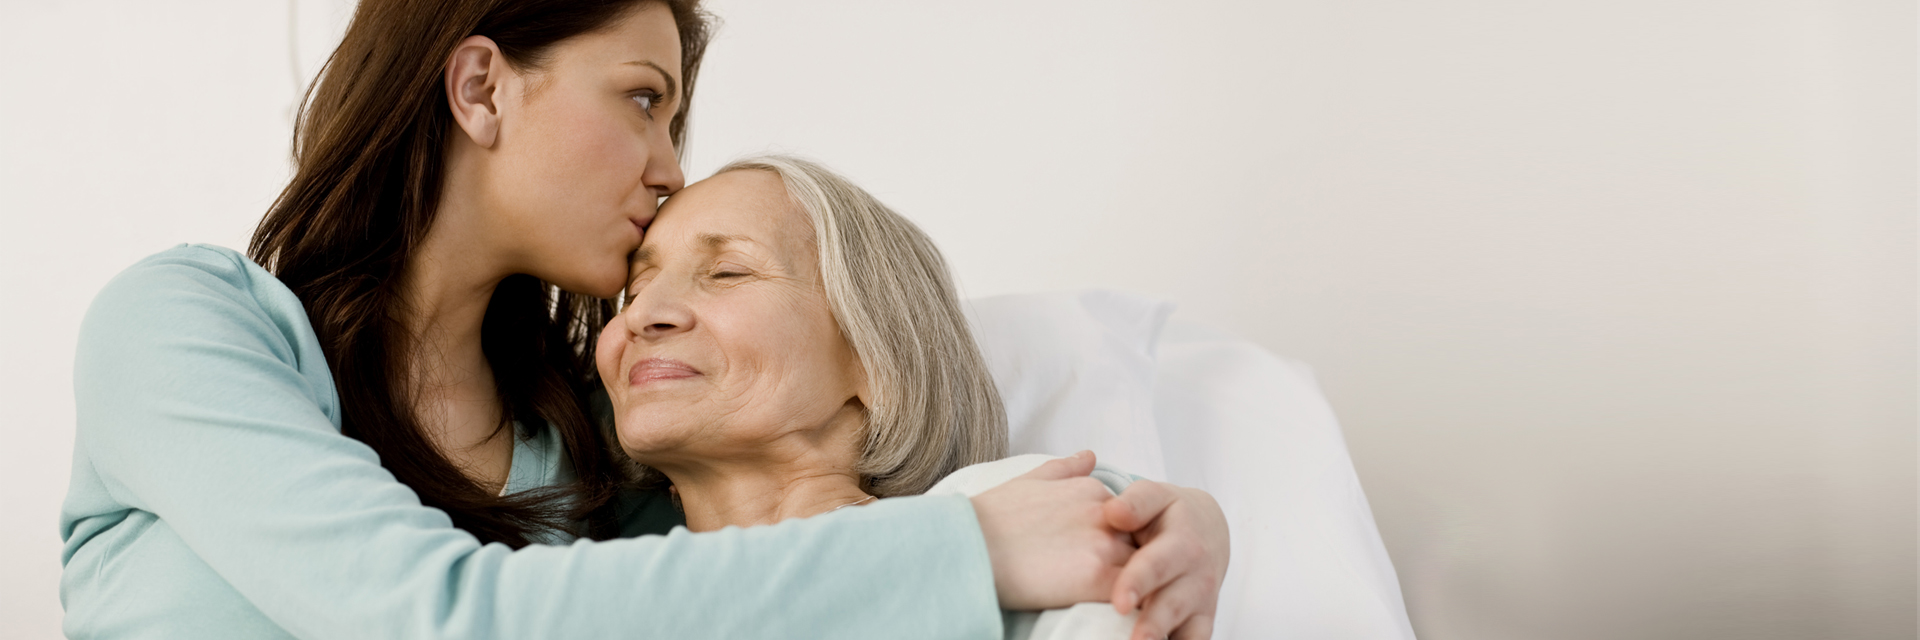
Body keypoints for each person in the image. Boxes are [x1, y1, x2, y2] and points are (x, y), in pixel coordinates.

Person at [61, 1, 1227, 638]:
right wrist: (967, 551)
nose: (669, 167)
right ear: (480, 88)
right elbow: (438, 618)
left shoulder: (580, 452)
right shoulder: (185, 325)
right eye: (644, 100)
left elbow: (781, 541)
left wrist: (1156, 522)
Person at [598, 154, 1217, 640]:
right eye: (636, 287)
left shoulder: (1006, 516)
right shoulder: (586, 587)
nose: (644, 314)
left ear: (875, 360)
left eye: (728, 271)